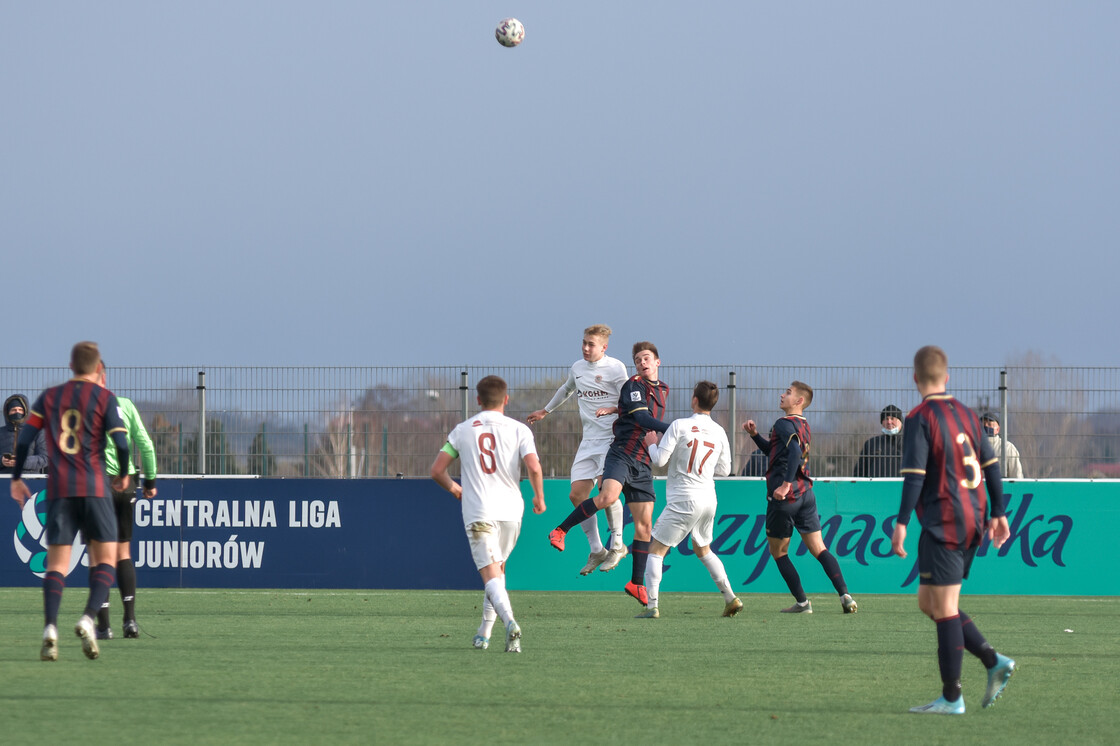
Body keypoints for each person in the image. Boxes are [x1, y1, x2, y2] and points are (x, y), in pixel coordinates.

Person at [892, 346, 1015, 714]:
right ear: (947, 377)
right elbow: (992, 465)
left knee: (944, 607)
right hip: (973, 517)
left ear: (915, 378)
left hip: (944, 520)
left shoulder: (919, 417)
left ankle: (951, 697)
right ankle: (993, 660)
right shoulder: (965, 413)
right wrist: (1000, 513)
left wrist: (900, 523)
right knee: (929, 603)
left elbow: (915, 476)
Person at [9, 341, 130, 661]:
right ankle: (88, 618)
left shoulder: (49, 397)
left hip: (61, 489)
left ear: (71, 366)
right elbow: (122, 442)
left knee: (57, 565)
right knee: (105, 558)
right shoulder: (105, 397)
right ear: (98, 368)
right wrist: (123, 475)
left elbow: (23, 441)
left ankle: (50, 628)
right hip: (94, 487)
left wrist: (17, 478)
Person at [548, 342, 670, 607]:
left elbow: (635, 414)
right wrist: (675, 428)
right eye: (638, 360)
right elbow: (641, 418)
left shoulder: (664, 389)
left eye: (646, 358)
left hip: (643, 461)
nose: (642, 363)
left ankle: (636, 583)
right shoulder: (633, 385)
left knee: (644, 526)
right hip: (622, 454)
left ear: (658, 362)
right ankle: (561, 530)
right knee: (606, 496)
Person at [430, 375, 545, 653]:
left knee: (490, 574)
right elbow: (534, 467)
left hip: (480, 510)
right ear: (506, 399)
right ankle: (484, 633)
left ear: (478, 400)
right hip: (511, 511)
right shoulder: (520, 430)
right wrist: (539, 497)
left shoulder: (463, 430)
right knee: (499, 570)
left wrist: (455, 488)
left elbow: (436, 470)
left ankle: (511, 623)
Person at [744, 381, 858, 614]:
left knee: (779, 552)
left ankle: (803, 603)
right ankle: (845, 595)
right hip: (806, 493)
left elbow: (794, 452)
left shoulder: (783, 424)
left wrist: (785, 485)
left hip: (786, 498)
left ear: (799, 401)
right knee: (819, 548)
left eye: (787, 393)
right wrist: (755, 436)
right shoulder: (803, 425)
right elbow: (777, 453)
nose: (782, 394)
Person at [527, 324, 629, 575]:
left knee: (608, 491)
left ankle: (617, 544)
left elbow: (628, 400)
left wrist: (614, 412)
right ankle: (597, 550)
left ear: (604, 347)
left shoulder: (616, 368)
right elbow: (567, 388)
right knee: (577, 495)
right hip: (588, 441)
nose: (585, 348)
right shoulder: (577, 368)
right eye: (583, 342)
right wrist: (546, 410)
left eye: (591, 344)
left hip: (611, 439)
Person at [636, 381, 742, 619]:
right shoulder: (719, 431)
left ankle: (652, 606)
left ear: (694, 400)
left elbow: (660, 461)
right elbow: (725, 470)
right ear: (713, 404)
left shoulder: (680, 425)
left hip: (684, 498)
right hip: (708, 499)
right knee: (703, 549)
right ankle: (730, 597)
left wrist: (652, 445)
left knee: (656, 550)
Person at [94, 362, 158, 641]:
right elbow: (146, 445)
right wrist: (151, 482)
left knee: (99, 556)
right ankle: (129, 621)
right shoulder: (126, 405)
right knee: (123, 552)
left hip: (98, 484)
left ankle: (103, 626)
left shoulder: (84, 409)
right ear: (104, 376)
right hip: (127, 483)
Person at [2, 394, 48, 474]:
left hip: (30, 481)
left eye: (20, 409)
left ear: (26, 412)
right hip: (3, 481)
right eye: (13, 410)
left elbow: (45, 458)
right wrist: (1, 460)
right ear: (7, 412)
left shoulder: (37, 432)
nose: (17, 412)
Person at [854, 404, 904, 478]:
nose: (889, 422)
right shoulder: (871, 444)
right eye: (886, 419)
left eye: (893, 418)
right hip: (875, 488)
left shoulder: (910, 443)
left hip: (901, 487)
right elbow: (860, 471)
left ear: (900, 421)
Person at [981, 413, 1024, 479]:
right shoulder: (972, 447)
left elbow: (1017, 476)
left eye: (989, 424)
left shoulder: (1008, 448)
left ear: (997, 429)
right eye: (983, 425)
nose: (986, 427)